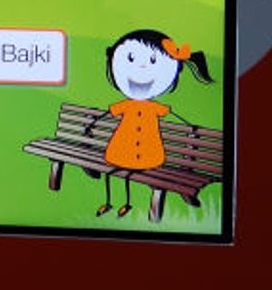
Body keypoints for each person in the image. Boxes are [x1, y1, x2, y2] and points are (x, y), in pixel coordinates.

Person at [84, 29, 213, 218]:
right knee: (113, 173)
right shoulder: (127, 105)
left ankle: (127, 203)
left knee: (125, 175)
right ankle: (109, 202)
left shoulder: (154, 108)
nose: (142, 68)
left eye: (153, 61)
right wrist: (92, 124)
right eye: (130, 59)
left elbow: (171, 113)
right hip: (121, 151)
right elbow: (108, 113)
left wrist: (189, 126)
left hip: (148, 156)